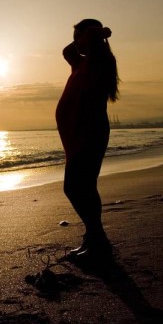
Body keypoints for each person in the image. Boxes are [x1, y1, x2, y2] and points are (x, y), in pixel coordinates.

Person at [55, 18, 120, 261]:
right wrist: (82, 37)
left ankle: (97, 238)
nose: (75, 43)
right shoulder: (80, 64)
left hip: (90, 132)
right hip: (77, 135)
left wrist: (97, 33)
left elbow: (92, 41)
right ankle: (94, 238)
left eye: (79, 37)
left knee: (74, 187)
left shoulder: (99, 62)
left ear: (92, 38)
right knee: (83, 187)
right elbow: (67, 51)